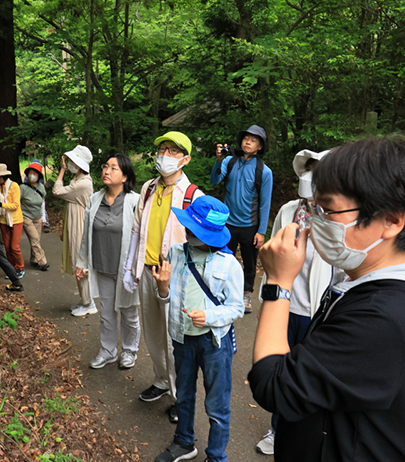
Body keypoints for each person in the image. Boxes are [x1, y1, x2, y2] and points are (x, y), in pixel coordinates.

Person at [249, 136, 405, 462]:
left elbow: (274, 386)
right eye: (313, 207)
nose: (315, 220)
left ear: (391, 219)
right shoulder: (359, 281)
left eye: (328, 209)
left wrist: (277, 282)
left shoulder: (382, 318)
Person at [255, 149, 345, 456]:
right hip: (286, 305)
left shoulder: (337, 217)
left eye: (317, 170)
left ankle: (303, 430)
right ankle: (276, 428)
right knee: (278, 366)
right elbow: (272, 254)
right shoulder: (288, 210)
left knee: (305, 375)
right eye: (308, 169)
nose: (310, 176)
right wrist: (265, 299)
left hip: (315, 310)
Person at [153, 195, 244, 462]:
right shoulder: (177, 253)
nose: (190, 233)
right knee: (184, 394)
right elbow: (167, 297)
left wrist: (210, 315)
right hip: (182, 338)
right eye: (189, 228)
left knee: (217, 405)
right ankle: (183, 441)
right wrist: (162, 287)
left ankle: (216, 455)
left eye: (196, 230)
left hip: (214, 343)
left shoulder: (229, 265)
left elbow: (236, 308)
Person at [123, 131, 203, 422]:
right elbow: (136, 230)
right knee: (153, 333)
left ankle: (182, 397)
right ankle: (161, 380)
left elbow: (201, 242)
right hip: (147, 270)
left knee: (175, 340)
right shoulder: (148, 188)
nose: (165, 155)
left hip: (175, 278)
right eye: (163, 149)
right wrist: (130, 268)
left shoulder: (193, 195)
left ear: (185, 159)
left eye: (173, 151)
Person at [75, 154, 141, 369]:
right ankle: (108, 350)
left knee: (129, 312)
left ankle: (130, 351)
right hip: (102, 265)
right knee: (106, 313)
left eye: (114, 168)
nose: (106, 171)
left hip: (127, 268)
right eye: (106, 166)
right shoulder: (95, 199)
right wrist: (82, 262)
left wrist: (139, 267)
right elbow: (86, 233)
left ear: (125, 176)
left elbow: (142, 237)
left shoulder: (135, 201)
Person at [209, 125, 273, 313]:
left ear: (259, 146)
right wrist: (218, 160)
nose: (248, 141)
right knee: (222, 258)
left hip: (249, 225)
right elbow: (214, 180)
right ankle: (221, 293)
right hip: (227, 223)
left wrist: (261, 231)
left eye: (253, 140)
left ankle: (246, 293)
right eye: (246, 138)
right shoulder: (229, 161)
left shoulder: (264, 171)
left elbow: (265, 203)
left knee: (249, 262)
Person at [53, 145, 94, 317]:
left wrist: (61, 170)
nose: (69, 163)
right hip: (74, 225)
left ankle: (89, 303)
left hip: (80, 226)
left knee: (81, 266)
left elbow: (56, 191)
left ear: (78, 164)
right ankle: (85, 300)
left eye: (71, 161)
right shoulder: (78, 181)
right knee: (78, 263)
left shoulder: (83, 184)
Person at [0, 163, 25, 279]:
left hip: (15, 220)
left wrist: (1, 204)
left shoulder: (14, 186)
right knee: (7, 247)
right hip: (3, 220)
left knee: (14, 247)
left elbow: (15, 205)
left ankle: (20, 267)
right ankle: (11, 268)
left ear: (3, 176)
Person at [20, 162, 49, 271]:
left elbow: (42, 203)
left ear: (38, 176)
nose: (32, 175)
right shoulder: (22, 188)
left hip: (38, 217)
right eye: (30, 173)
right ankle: (42, 261)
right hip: (26, 216)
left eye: (34, 173)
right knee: (35, 238)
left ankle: (34, 260)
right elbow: (17, 203)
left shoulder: (41, 187)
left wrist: (44, 218)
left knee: (36, 240)